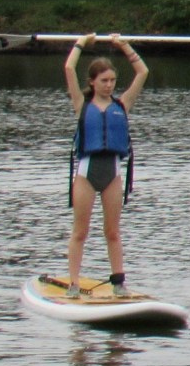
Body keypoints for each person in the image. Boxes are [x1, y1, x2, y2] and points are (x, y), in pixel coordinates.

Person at [61, 34, 147, 297]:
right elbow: (68, 68)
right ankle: (74, 283)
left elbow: (142, 70)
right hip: (87, 173)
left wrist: (123, 45)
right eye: (104, 81)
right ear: (92, 82)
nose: (109, 85)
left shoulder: (123, 104)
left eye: (112, 81)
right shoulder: (81, 104)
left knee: (112, 231)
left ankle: (118, 282)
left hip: (112, 173)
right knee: (81, 232)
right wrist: (80, 43)